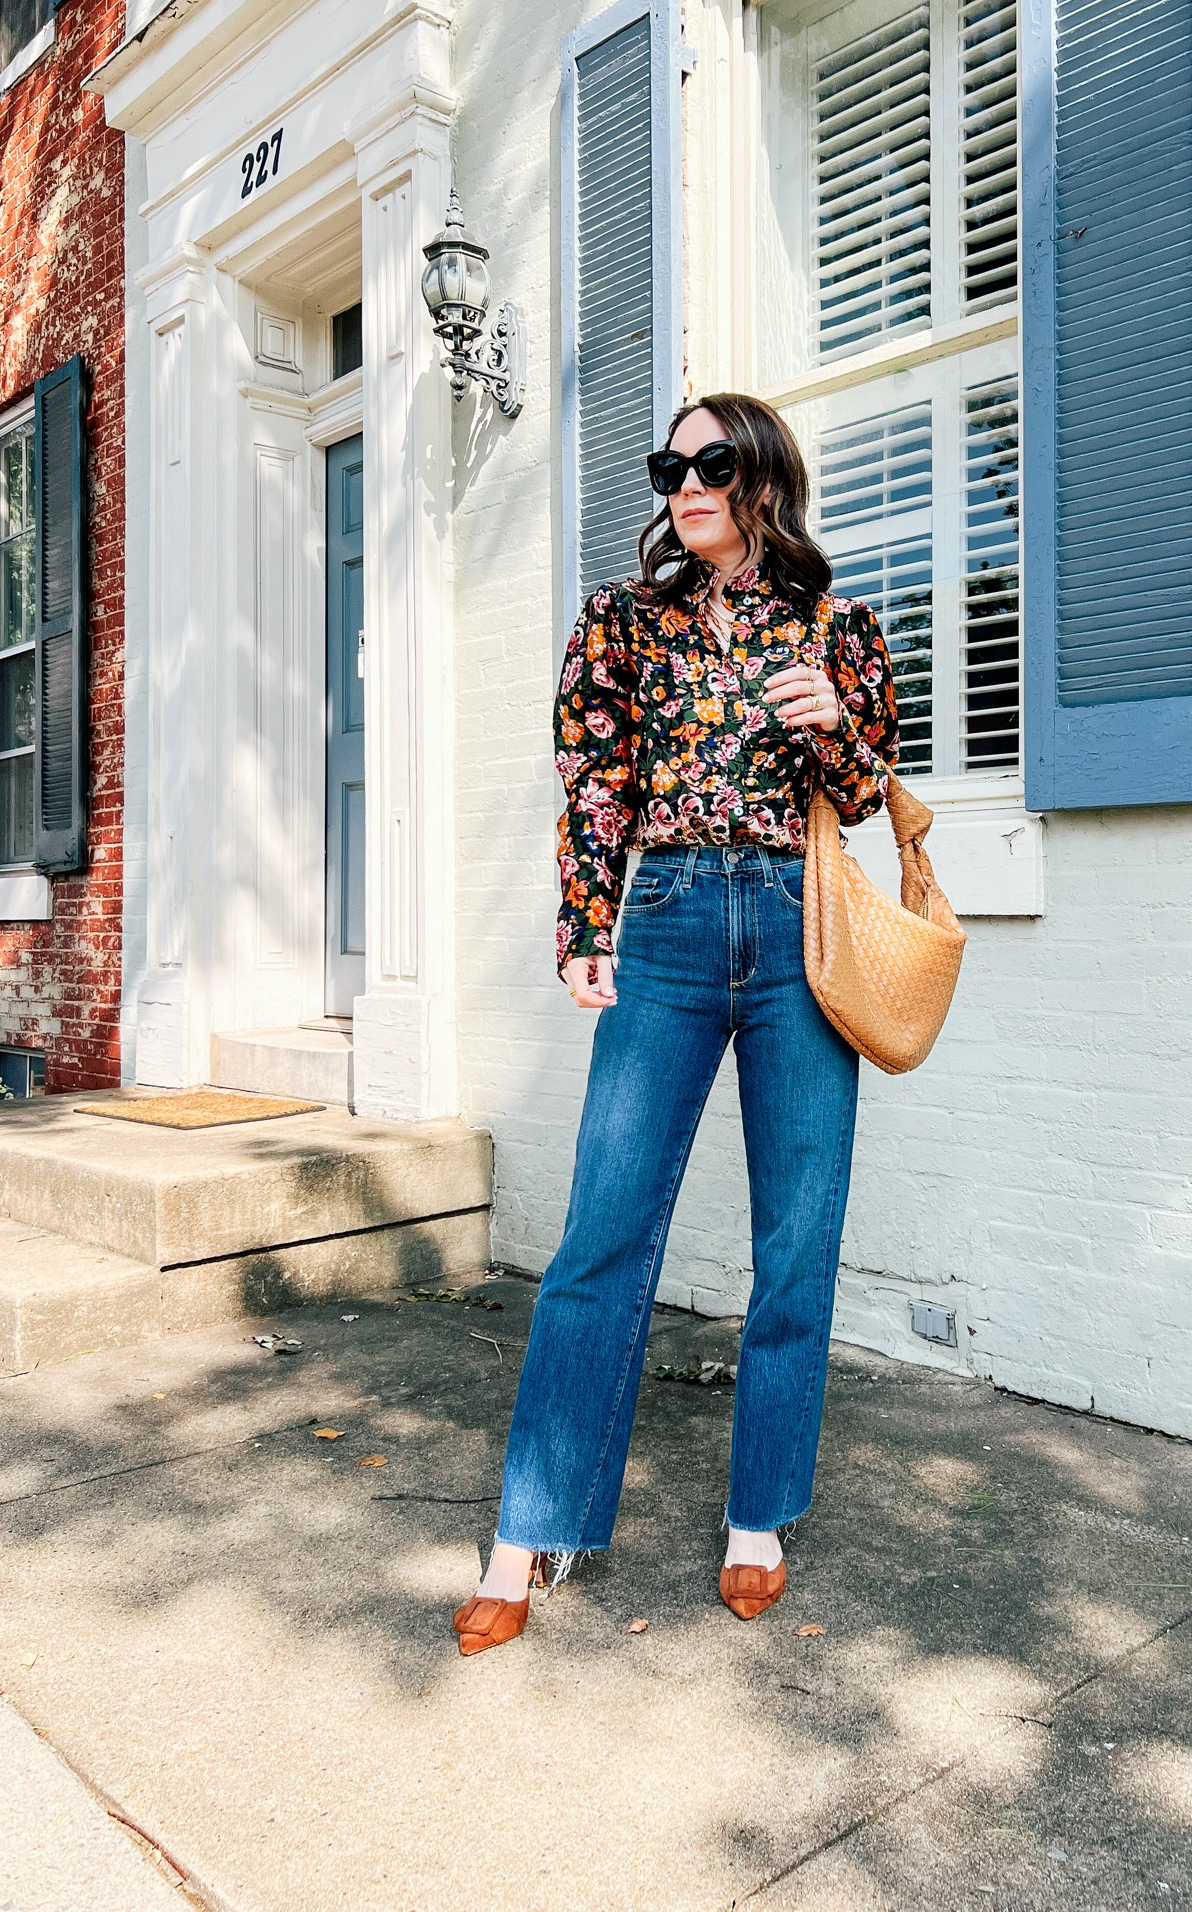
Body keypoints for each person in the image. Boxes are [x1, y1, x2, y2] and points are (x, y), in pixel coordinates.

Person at [453, 393, 898, 1654]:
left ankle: (760, 1510)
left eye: (711, 462)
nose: (685, 483)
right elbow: (595, 788)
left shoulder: (835, 622)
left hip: (798, 930)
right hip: (674, 919)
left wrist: (832, 730)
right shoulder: (621, 623)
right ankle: (530, 1527)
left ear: (763, 476)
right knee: (603, 1223)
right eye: (672, 465)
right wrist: (585, 927)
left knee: (797, 1230)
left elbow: (865, 796)